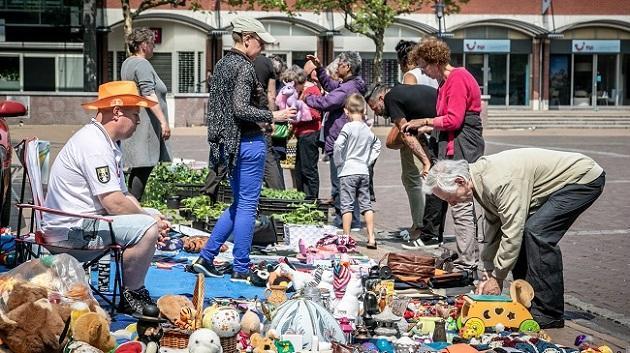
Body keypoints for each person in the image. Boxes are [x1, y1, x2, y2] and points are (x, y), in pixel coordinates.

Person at [422, 148, 605, 329]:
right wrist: (488, 271)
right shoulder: (479, 181)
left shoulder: (498, 182)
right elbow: (494, 226)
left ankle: (549, 313)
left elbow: (512, 230)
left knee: (536, 233)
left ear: (460, 181)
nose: (451, 204)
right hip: (560, 182)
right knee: (525, 235)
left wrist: (498, 277)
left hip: (583, 179)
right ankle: (528, 302)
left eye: (450, 198)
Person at [42, 81, 171, 315]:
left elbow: (123, 195)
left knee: (149, 221)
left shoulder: (103, 141)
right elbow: (113, 203)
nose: (139, 120)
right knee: (148, 227)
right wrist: (148, 222)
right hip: (71, 230)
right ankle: (132, 294)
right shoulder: (94, 144)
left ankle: (132, 289)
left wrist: (148, 216)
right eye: (135, 114)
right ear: (117, 111)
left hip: (78, 222)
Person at [193, 17, 296, 281]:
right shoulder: (244, 68)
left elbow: (223, 109)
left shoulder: (222, 64)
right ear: (247, 38)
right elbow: (240, 107)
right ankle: (241, 266)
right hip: (248, 142)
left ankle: (206, 257)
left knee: (239, 205)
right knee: (248, 206)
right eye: (260, 42)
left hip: (227, 145)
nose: (261, 48)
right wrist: (275, 115)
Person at [402, 37, 484, 270]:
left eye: (424, 66)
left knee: (460, 200)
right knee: (455, 199)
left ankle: (469, 260)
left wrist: (425, 120)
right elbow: (446, 119)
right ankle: (467, 255)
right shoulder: (443, 82)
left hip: (462, 145)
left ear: (435, 61)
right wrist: (424, 127)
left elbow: (454, 119)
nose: (423, 71)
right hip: (452, 143)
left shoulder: (457, 78)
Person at [366, 83, 447, 249]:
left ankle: (430, 237)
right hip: (443, 126)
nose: (377, 113)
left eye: (375, 108)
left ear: (381, 98)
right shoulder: (401, 92)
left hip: (445, 127)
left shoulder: (391, 98)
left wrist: (426, 162)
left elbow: (405, 133)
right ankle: (435, 235)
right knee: (440, 187)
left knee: (434, 186)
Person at [304, 51, 367, 229]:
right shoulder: (350, 84)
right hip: (344, 140)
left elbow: (328, 102)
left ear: (347, 67)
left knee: (340, 184)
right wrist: (320, 69)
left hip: (341, 142)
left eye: (339, 64)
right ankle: (351, 220)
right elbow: (332, 86)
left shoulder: (348, 88)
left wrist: (308, 97)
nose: (337, 66)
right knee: (345, 183)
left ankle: (344, 221)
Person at [120, 27, 172, 201]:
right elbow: (149, 93)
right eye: (152, 44)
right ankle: (133, 206)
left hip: (137, 121)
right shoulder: (142, 64)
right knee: (143, 166)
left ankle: (131, 203)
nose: (153, 48)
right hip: (146, 126)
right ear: (143, 45)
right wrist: (163, 122)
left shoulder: (128, 62)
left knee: (139, 167)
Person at [333, 94, 381, 248]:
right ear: (364, 109)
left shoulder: (347, 127)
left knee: (346, 205)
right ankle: (371, 237)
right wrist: (368, 160)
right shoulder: (367, 129)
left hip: (348, 171)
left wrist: (339, 161)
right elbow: (377, 145)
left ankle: (346, 237)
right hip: (363, 171)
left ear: (346, 111)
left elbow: (338, 145)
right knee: (366, 205)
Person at [282, 66, 322, 199]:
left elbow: (316, 114)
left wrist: (298, 112)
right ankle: (301, 198)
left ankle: (311, 200)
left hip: (309, 134)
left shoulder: (312, 90)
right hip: (295, 134)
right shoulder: (295, 92)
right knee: (296, 170)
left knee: (308, 170)